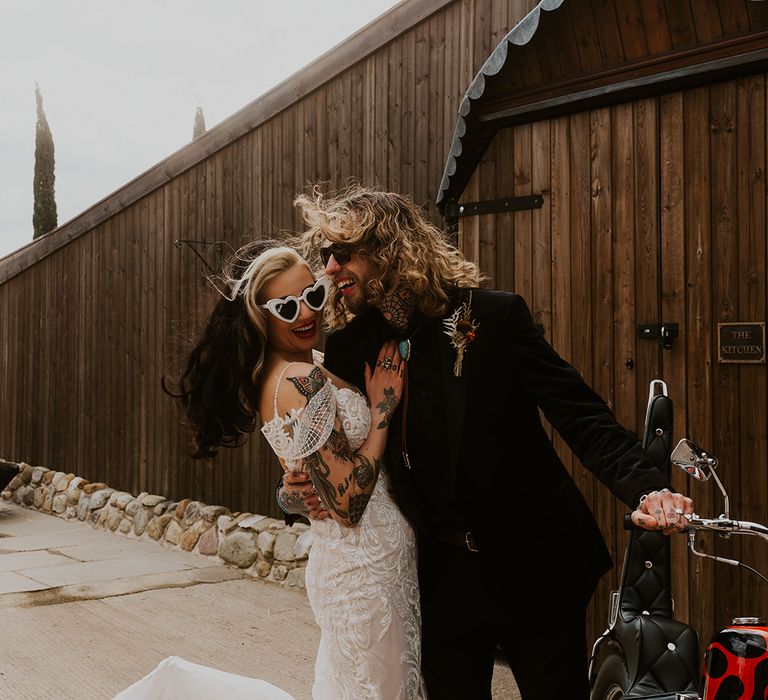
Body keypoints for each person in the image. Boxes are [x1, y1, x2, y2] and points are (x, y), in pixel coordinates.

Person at [289, 186, 694, 700]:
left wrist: (646, 490)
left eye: (342, 253)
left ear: (388, 247)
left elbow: (581, 416)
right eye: (325, 255)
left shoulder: (496, 317)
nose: (328, 268)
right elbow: (333, 447)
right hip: (442, 575)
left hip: (534, 564)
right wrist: (299, 491)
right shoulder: (352, 345)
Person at [170, 241, 427, 700]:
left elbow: (310, 481)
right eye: (286, 306)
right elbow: (347, 502)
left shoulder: (301, 368)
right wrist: (383, 412)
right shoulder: (296, 380)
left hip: (374, 566)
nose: (305, 313)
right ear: (261, 316)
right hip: (362, 574)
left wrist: (292, 494)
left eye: (312, 295)